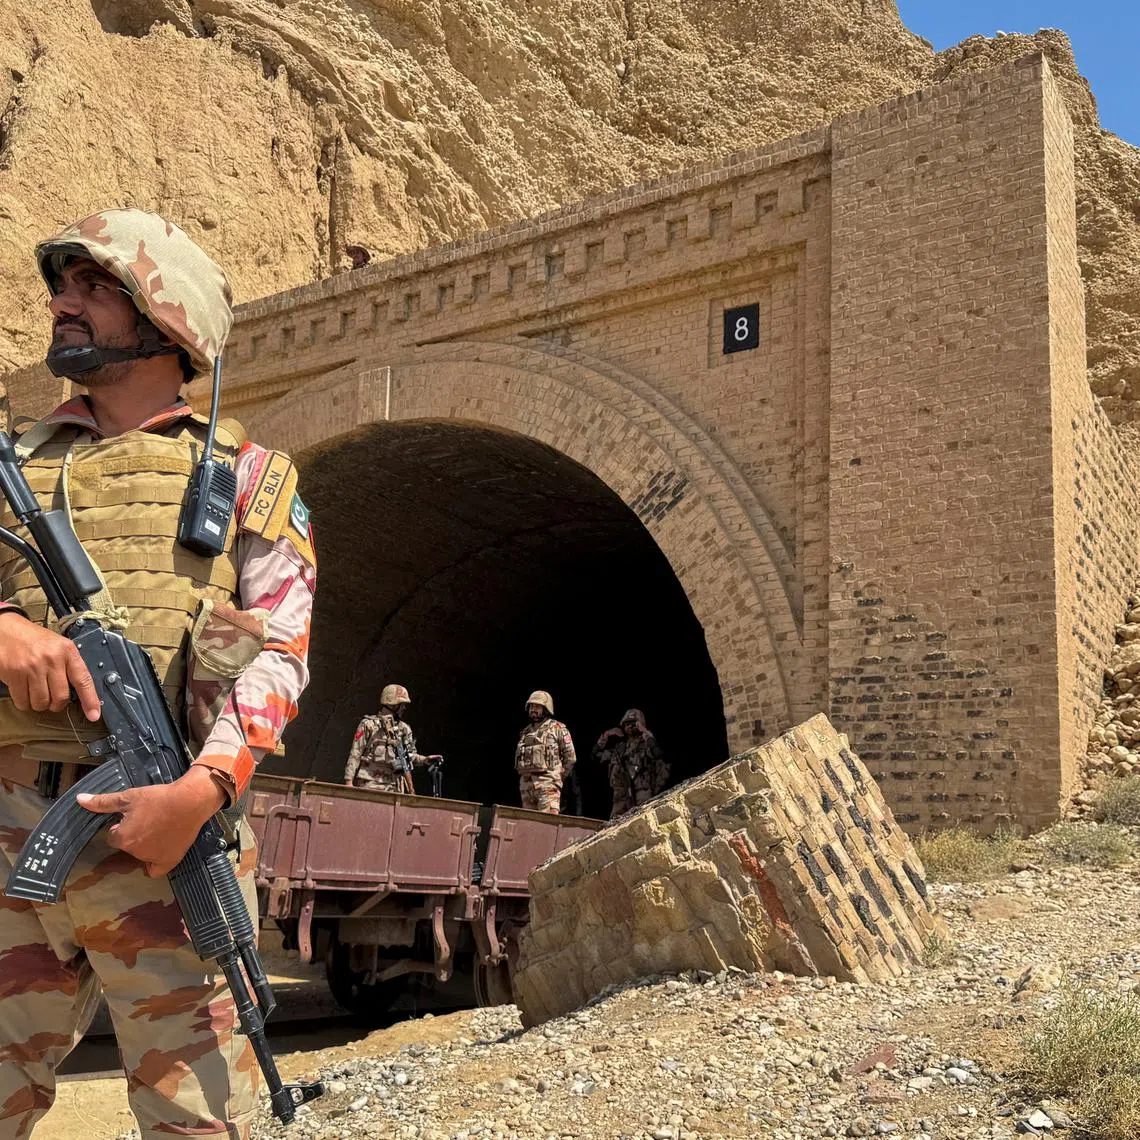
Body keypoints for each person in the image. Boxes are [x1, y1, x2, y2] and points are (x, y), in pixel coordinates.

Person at [0, 208, 317, 1140]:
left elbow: (279, 656)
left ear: (165, 317)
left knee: (199, 1123)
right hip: (9, 827)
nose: (64, 303)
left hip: (169, 848)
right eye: (63, 285)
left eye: (95, 287)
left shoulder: (251, 479)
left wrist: (201, 791)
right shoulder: (12, 467)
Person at [344, 683, 442, 793]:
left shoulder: (404, 729)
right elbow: (355, 753)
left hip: (395, 787)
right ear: (393, 705)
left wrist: (425, 760)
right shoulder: (369, 725)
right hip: (371, 784)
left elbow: (409, 756)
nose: (404, 708)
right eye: (402, 704)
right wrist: (349, 781)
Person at [595, 708, 669, 817]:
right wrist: (605, 736)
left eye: (634, 724)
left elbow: (659, 754)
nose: (630, 726)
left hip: (643, 793)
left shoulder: (647, 744)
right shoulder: (620, 749)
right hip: (622, 797)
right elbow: (596, 756)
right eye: (627, 724)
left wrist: (646, 733)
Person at [514, 690, 575, 814]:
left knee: (546, 825)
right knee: (528, 825)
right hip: (527, 788)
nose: (533, 710)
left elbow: (570, 757)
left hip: (547, 787)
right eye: (531, 706)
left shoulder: (557, 729)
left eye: (537, 707)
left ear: (546, 709)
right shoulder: (525, 732)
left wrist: (557, 777)